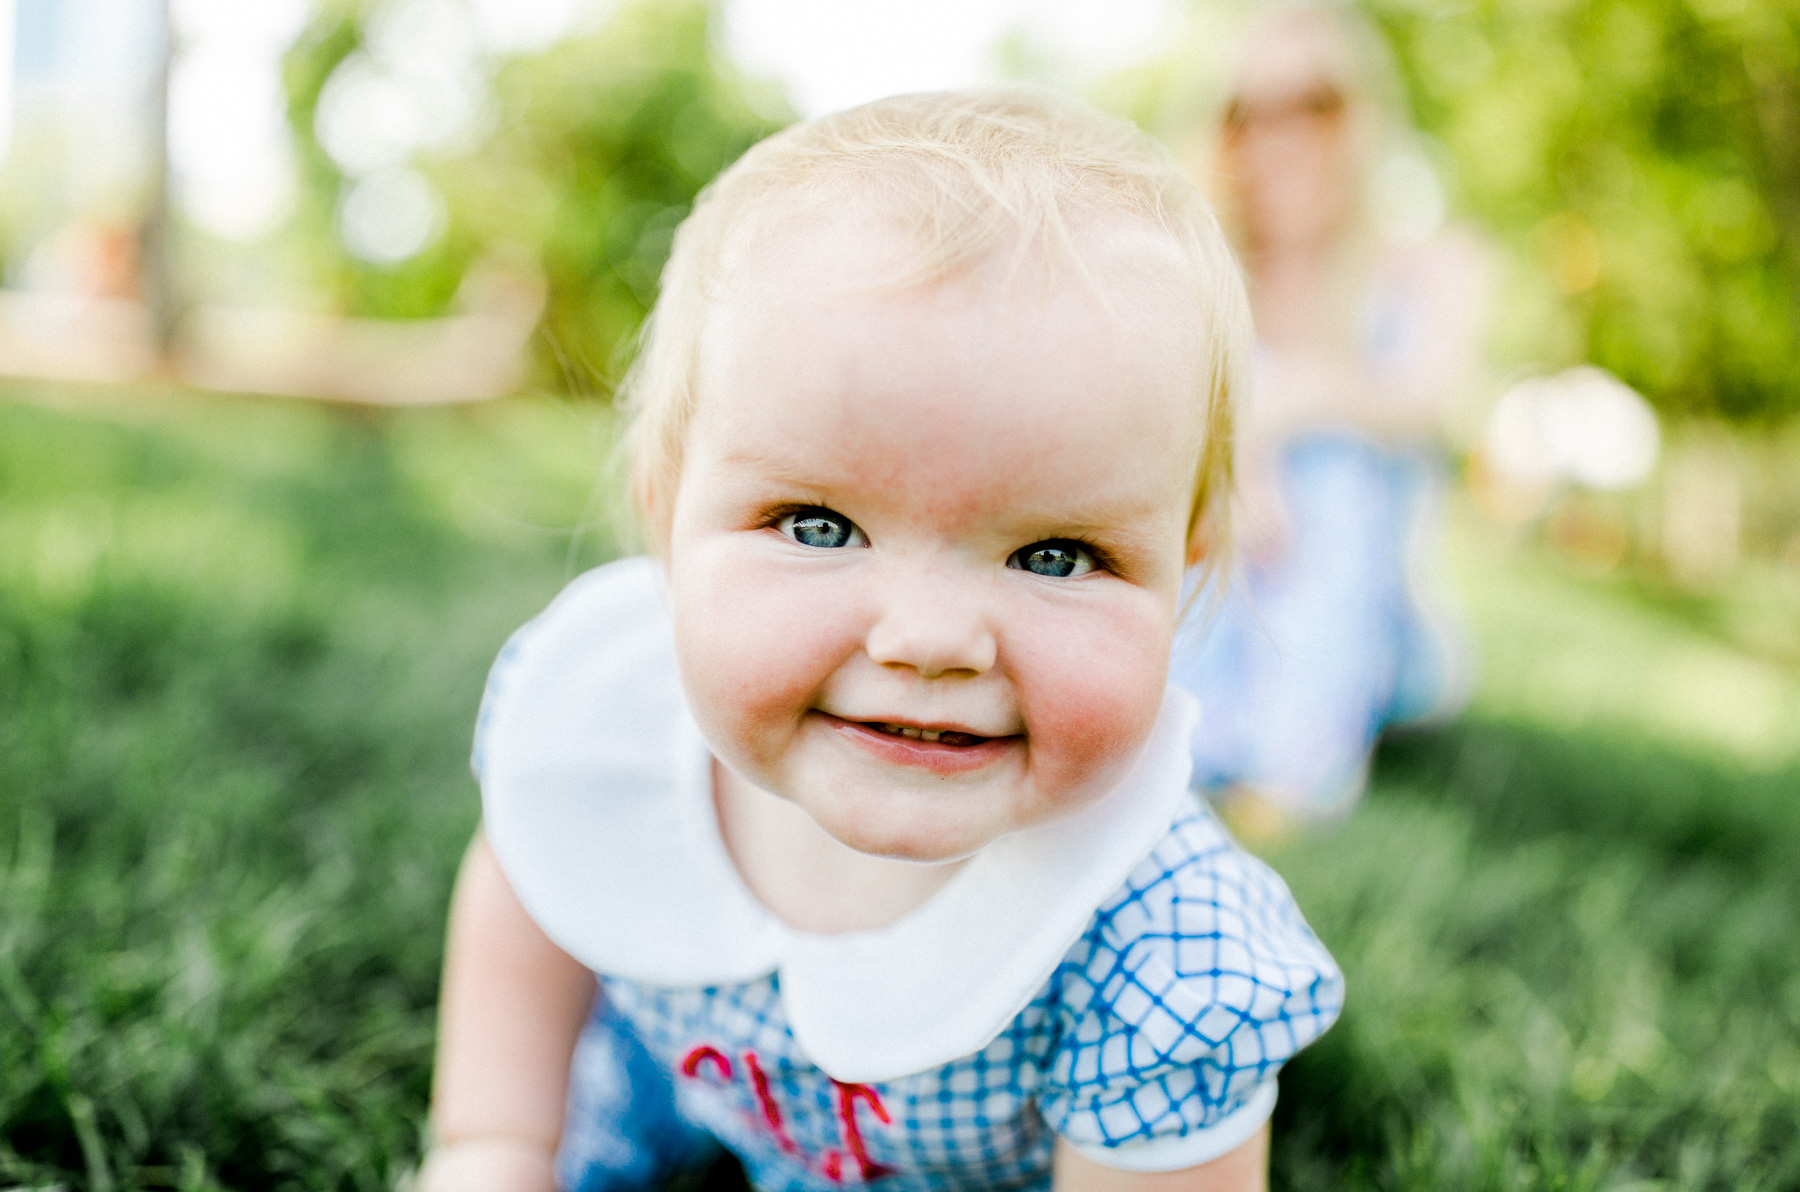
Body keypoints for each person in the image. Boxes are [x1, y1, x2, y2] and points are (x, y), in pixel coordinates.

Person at [418, 89, 1344, 1192]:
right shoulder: (606, 733)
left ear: (1183, 569)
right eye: (818, 527)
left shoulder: (1155, 950)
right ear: (666, 519)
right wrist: (495, 1146)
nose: (930, 642)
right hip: (672, 1089)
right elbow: (535, 868)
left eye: (1055, 555)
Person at [1171, 5, 1490, 836]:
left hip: (1379, 631)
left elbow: (1422, 402)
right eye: (1251, 109)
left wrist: (1269, 428)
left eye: (1315, 102)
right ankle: (1186, 735)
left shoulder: (1430, 268)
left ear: (1362, 113)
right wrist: (1232, 467)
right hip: (1221, 587)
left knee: (1337, 456)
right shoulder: (1195, 273)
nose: (1282, 135)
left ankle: (1295, 770)